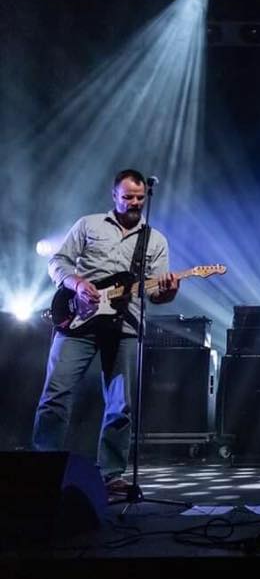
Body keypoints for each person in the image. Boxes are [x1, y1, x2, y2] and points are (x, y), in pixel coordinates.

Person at [33, 169, 179, 499]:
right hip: (78, 320)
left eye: (139, 198)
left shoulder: (155, 240)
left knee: (121, 405)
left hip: (126, 326)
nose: (135, 203)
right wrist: (76, 283)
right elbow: (58, 261)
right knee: (55, 395)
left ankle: (111, 475)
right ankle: (43, 469)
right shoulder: (89, 225)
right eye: (128, 197)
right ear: (114, 195)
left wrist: (169, 291)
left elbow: (156, 293)